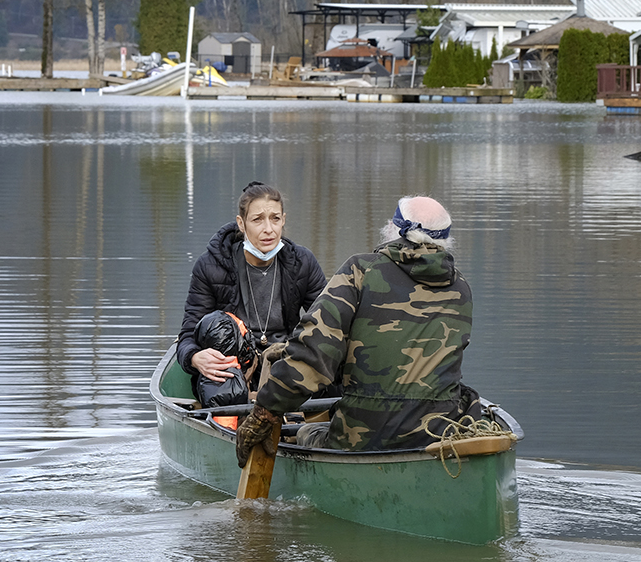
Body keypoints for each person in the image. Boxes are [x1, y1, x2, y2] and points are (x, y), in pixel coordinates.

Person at [236, 194, 485, 459]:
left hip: (361, 439)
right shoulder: (461, 289)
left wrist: (264, 413)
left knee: (305, 433)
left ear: (394, 229)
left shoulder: (360, 271)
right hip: (437, 436)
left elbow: (312, 355)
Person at [177, 181, 326, 404]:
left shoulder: (302, 262)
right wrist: (195, 357)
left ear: (283, 220)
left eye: (275, 218)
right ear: (241, 224)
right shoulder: (211, 266)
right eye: (257, 220)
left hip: (287, 360)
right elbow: (188, 334)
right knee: (215, 325)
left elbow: (329, 320)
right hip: (234, 365)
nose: (269, 229)